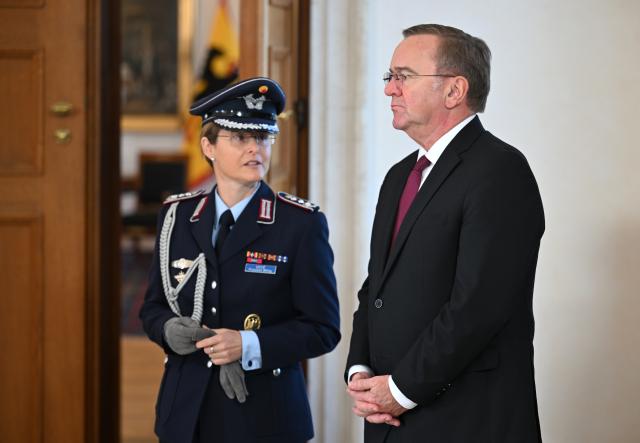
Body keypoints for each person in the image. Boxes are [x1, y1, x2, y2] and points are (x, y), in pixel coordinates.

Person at [345, 24, 545, 442]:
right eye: (389, 77)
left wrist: (400, 390)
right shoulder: (399, 177)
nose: (390, 90)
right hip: (388, 418)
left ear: (454, 91)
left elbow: (477, 306)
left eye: (403, 76)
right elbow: (376, 288)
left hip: (465, 420)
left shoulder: (500, 171)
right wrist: (361, 370)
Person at [140, 77, 340, 443]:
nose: (255, 150)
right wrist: (168, 330)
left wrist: (248, 345)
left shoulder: (300, 224)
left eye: (263, 138)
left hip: (262, 417)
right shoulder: (177, 217)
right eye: (240, 138)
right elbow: (153, 307)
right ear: (208, 146)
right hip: (185, 414)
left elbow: (323, 329)